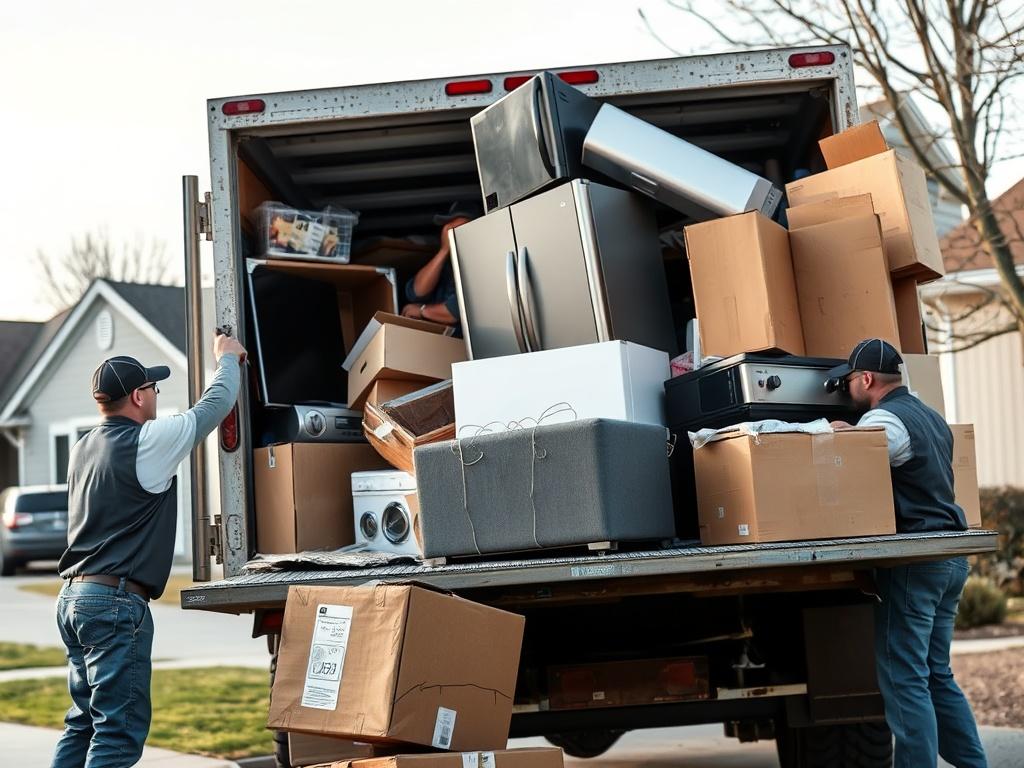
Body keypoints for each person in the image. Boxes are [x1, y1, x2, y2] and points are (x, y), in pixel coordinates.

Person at [52, 333, 246, 768]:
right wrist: (227, 359)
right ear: (138, 397)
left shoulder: (84, 447)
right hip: (113, 604)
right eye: (154, 389)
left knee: (83, 722)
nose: (156, 397)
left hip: (73, 598)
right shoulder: (148, 440)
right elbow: (213, 407)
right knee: (117, 735)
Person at [828, 338, 987, 768]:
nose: (848, 392)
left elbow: (866, 458)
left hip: (917, 562)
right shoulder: (931, 417)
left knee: (905, 678)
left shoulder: (884, 418)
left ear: (866, 379)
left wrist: (845, 436)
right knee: (937, 673)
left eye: (849, 383)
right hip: (950, 554)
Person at [401, 207, 473, 332]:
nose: (450, 232)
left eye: (459, 228)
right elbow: (416, 292)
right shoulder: (447, 263)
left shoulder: (479, 265)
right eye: (448, 227)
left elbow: (455, 311)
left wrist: (422, 311)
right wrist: (444, 250)